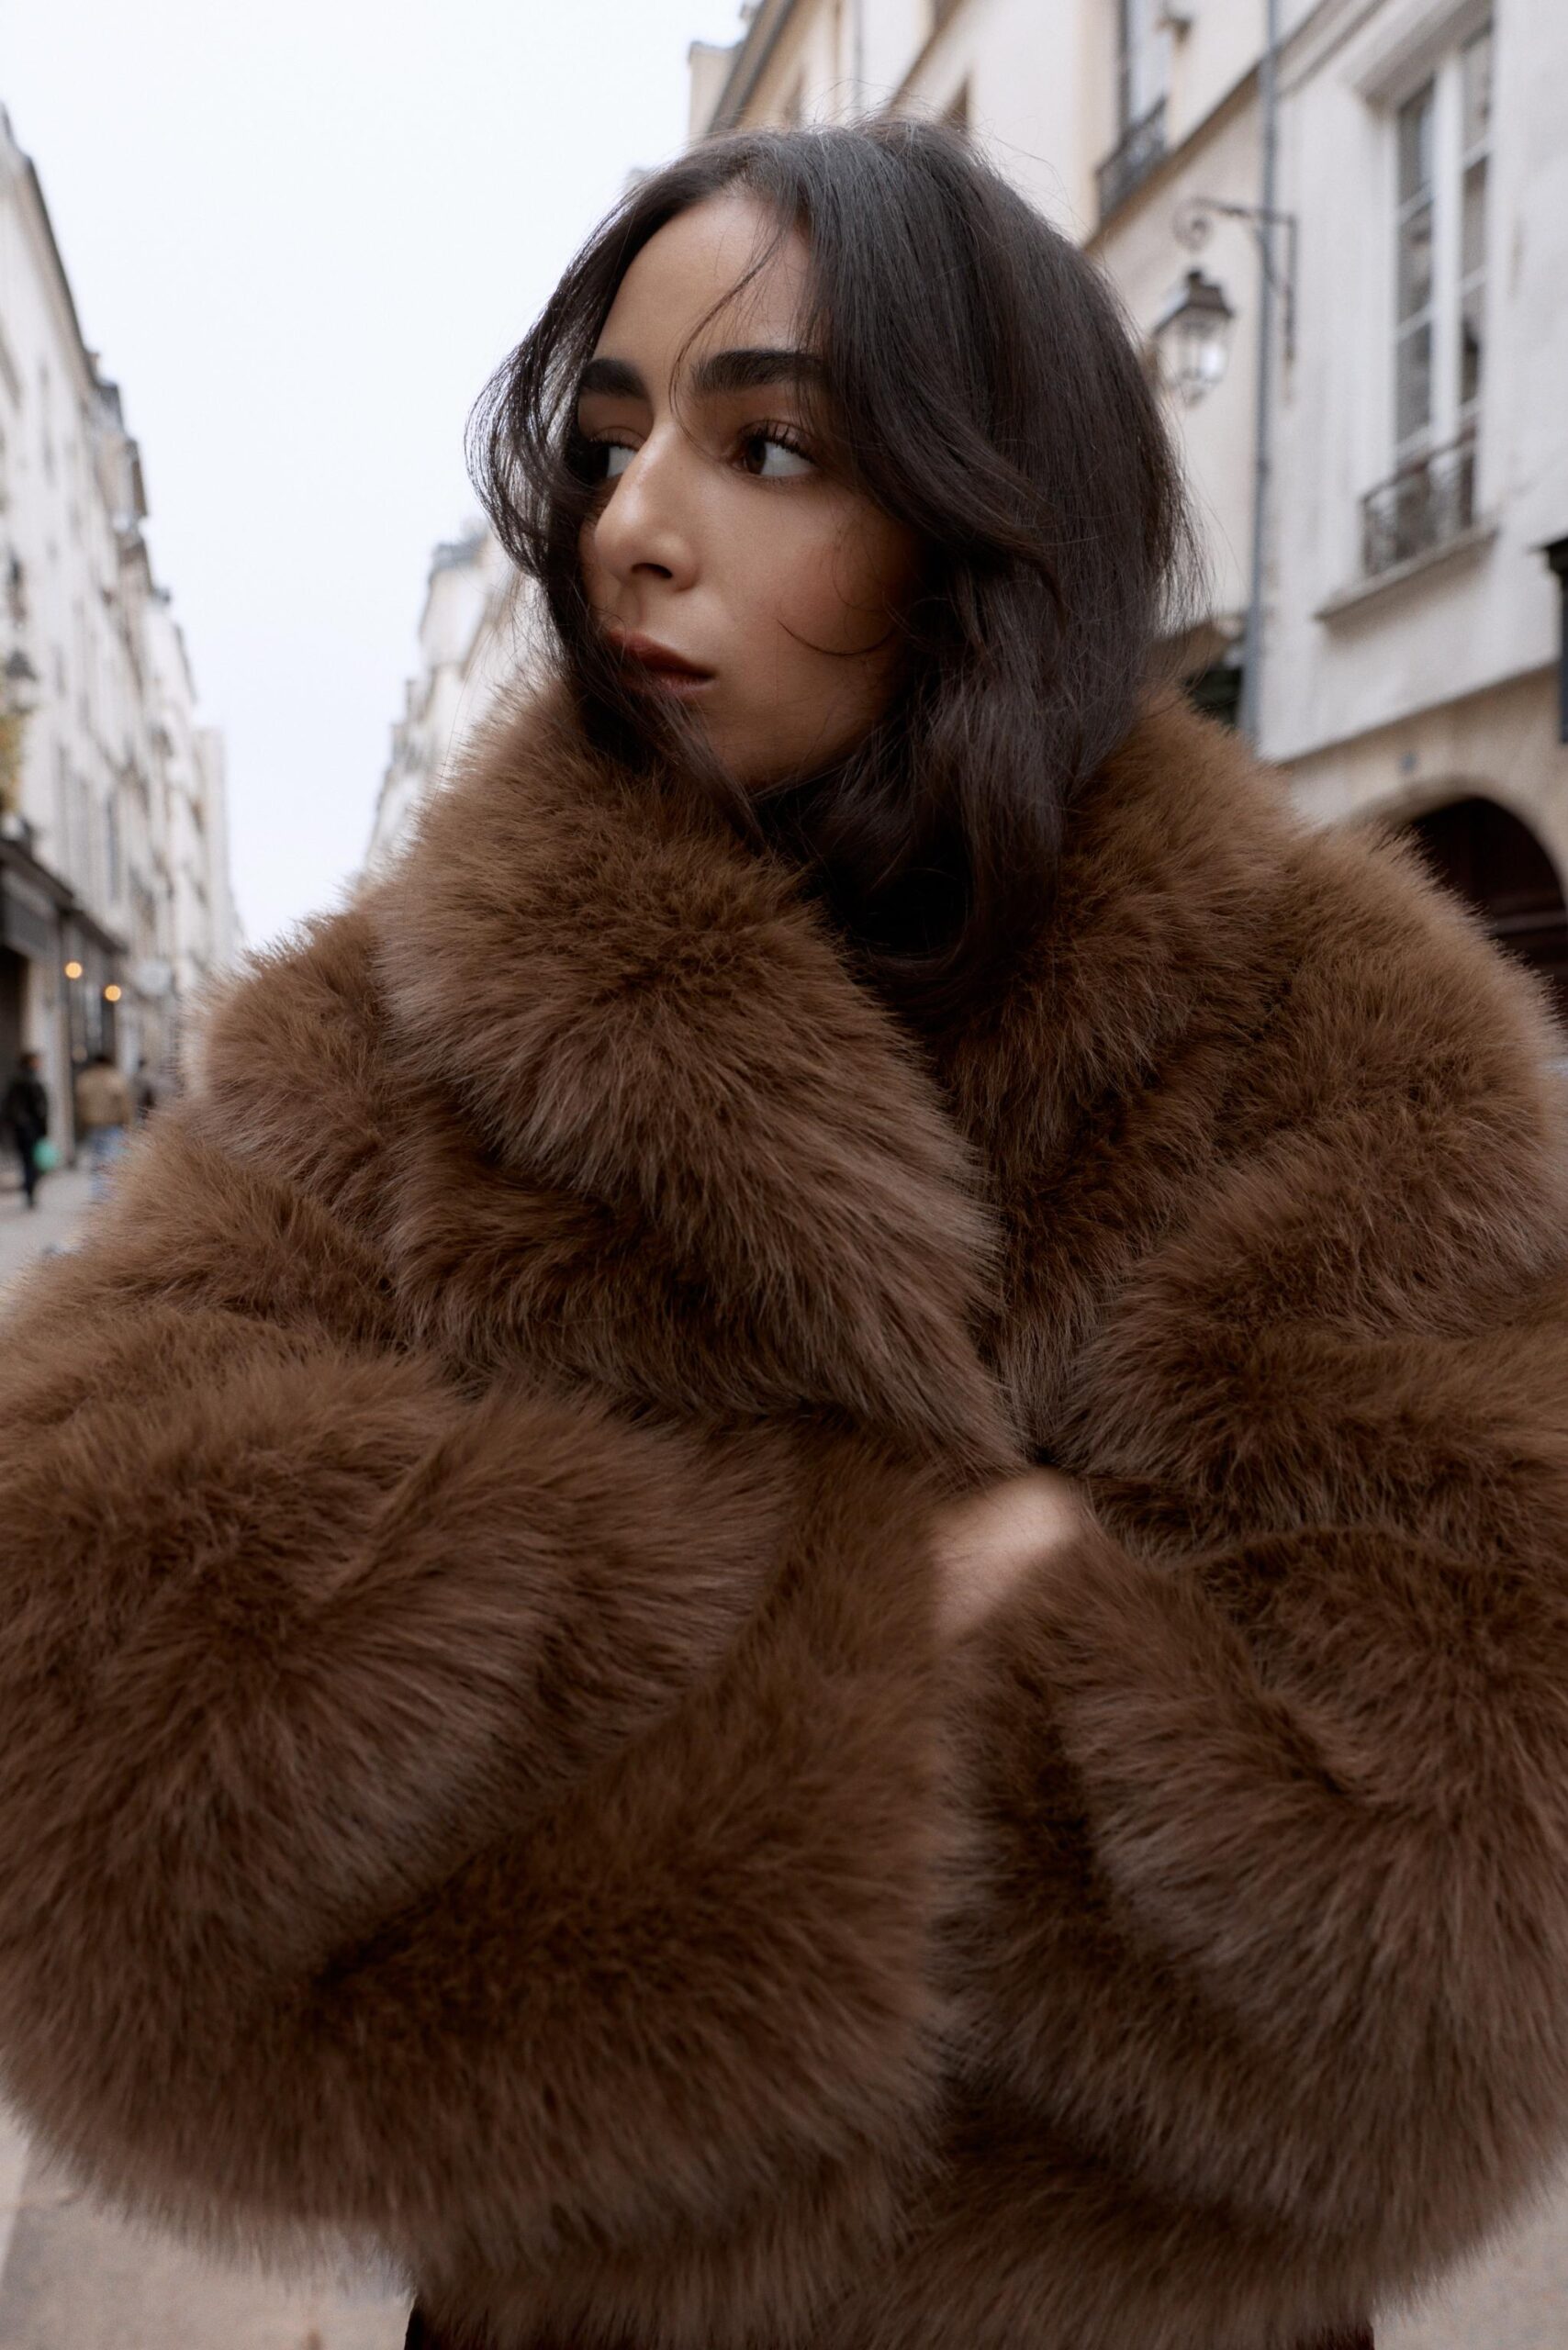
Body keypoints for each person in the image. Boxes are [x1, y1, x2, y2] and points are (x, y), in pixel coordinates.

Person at [0, 122, 1565, 2350]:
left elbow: (1472, 1900)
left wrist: (614, 1787)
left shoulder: (1329, 1036)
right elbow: (79, 1684)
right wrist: (899, 1603)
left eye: (768, 445)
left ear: (985, 517)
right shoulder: (400, 1031)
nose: (629, 523)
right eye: (610, 440)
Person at [72, 1048, 133, 1202]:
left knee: (96, 1157)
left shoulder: (85, 1079)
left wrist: (82, 1122)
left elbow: (80, 1104)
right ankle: (107, 1192)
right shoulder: (115, 1078)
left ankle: (98, 1190)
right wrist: (128, 1123)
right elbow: (124, 1104)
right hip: (112, 1124)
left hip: (92, 1124)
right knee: (111, 1158)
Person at [1, 1049, 49, 1211]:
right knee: (30, 1162)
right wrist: (29, 1125)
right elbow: (34, 1108)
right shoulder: (26, 1081)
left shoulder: (24, 1080)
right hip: (29, 1129)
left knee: (29, 1161)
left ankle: (30, 1191)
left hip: (26, 1129)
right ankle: (30, 1192)